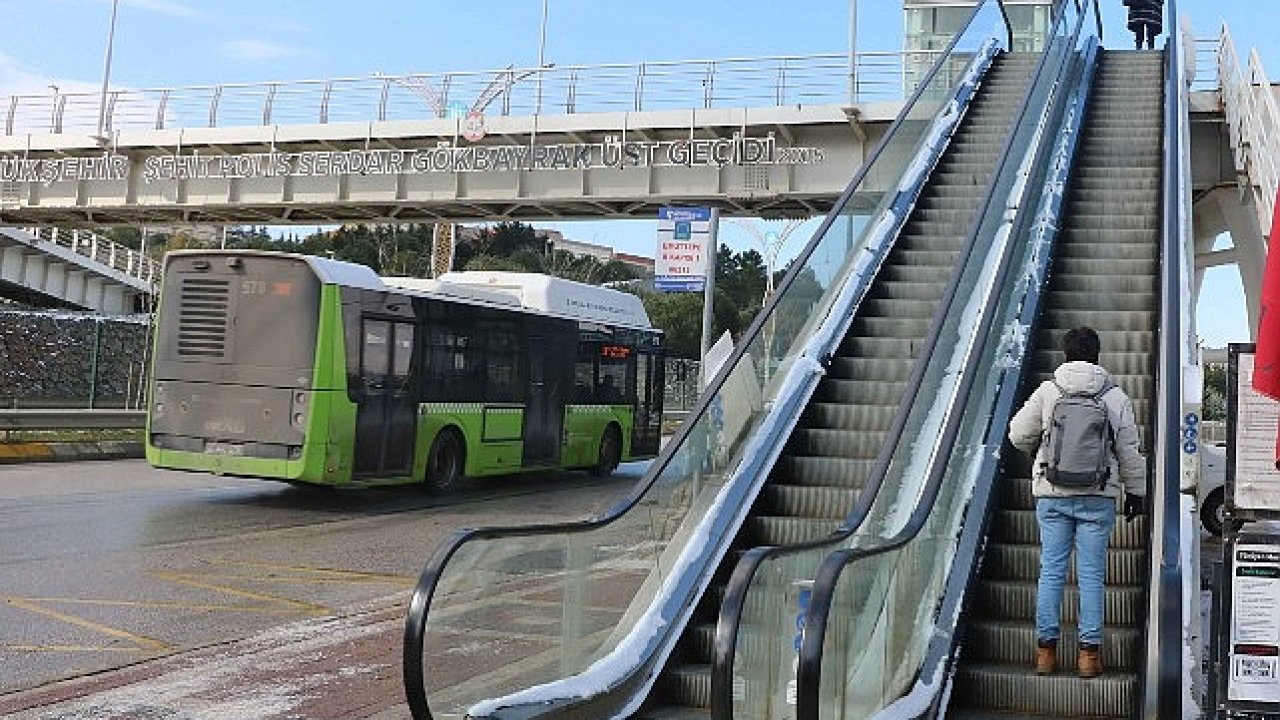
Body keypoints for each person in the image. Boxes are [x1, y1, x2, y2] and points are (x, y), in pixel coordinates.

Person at [1008, 327, 1146, 678]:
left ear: (1064, 354)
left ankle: (1046, 654)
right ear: (1097, 356)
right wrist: (1136, 492)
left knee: (1051, 572)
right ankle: (1088, 656)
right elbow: (1129, 451)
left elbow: (1017, 433)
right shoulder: (1115, 396)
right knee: (1091, 575)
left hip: (1052, 495)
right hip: (1097, 496)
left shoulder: (1049, 391)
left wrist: (1039, 452)